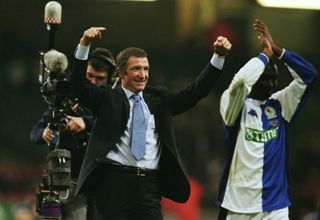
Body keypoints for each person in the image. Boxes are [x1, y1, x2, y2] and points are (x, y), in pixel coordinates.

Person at [70, 26, 232, 220]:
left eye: (146, 69)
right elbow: (78, 85)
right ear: (121, 73)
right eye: (136, 69)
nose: (143, 74)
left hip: (149, 188)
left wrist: (218, 58)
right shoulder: (106, 99)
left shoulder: (159, 99)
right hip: (113, 185)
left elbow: (196, 92)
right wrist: (84, 43)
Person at [217, 19, 317, 220]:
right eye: (265, 77)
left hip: (275, 207)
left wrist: (278, 51)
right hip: (238, 207)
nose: (270, 83)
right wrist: (264, 56)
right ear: (256, 76)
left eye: (274, 79)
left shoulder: (280, 105)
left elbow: (309, 75)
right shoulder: (234, 105)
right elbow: (242, 81)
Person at [30, 47, 115, 220]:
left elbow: (118, 125)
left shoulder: (113, 102)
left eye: (99, 79)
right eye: (89, 76)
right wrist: (45, 133)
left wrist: (86, 123)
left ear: (110, 80)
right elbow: (35, 133)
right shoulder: (66, 100)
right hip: (66, 179)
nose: (92, 82)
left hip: (101, 182)